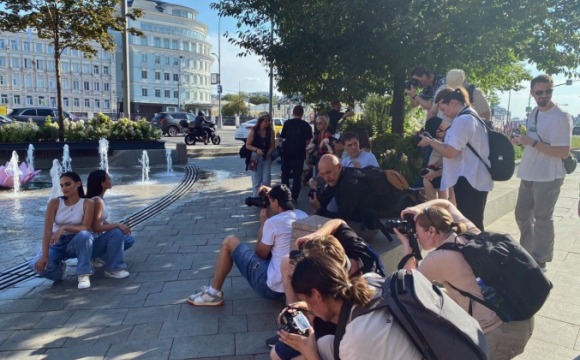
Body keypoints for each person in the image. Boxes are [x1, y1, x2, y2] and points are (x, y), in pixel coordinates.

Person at [394, 199, 534, 359]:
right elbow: (446, 204)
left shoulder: (438, 259)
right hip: (520, 317)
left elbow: (409, 285)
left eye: (417, 233)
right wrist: (418, 209)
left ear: (431, 231)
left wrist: (407, 248)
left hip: (500, 334)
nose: (416, 237)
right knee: (439, 295)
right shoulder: (469, 231)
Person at [276, 240, 421, 360]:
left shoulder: (353, 342)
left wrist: (310, 353)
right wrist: (309, 308)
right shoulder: (369, 280)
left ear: (316, 294)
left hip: (369, 346)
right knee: (324, 343)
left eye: (307, 301)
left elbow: (356, 341)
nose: (309, 307)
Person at [187, 184, 308, 306]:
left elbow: (260, 255)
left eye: (271, 201)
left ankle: (212, 294)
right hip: (294, 285)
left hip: (271, 287)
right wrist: (273, 193)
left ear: (276, 202)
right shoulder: (303, 215)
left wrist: (263, 225)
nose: (270, 205)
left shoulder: (272, 223)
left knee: (229, 241)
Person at [511, 74, 572, 272]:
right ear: (532, 93)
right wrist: (520, 139)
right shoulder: (534, 112)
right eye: (539, 92)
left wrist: (531, 142)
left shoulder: (561, 116)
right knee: (521, 214)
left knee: (542, 218)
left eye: (548, 91)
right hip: (529, 171)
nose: (544, 95)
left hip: (549, 175)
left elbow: (563, 151)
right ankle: (527, 251)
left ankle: (540, 259)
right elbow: (531, 140)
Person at [416, 87, 492, 230]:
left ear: (453, 103)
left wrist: (430, 141)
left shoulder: (463, 120)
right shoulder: (471, 116)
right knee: (472, 225)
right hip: (473, 180)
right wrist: (436, 167)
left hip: (469, 182)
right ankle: (472, 250)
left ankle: (475, 252)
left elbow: (451, 152)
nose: (443, 113)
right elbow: (459, 152)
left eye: (443, 108)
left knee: (471, 227)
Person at [29, 172, 95, 289]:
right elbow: (47, 231)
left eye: (67, 184)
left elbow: (85, 227)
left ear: (78, 184)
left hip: (76, 241)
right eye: (62, 185)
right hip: (55, 243)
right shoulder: (54, 203)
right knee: (36, 265)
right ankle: (59, 272)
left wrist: (63, 227)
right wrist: (44, 255)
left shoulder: (87, 203)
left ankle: (83, 274)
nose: (64, 188)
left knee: (85, 235)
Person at [310, 154, 378, 242]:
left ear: (339, 167)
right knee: (315, 216)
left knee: (322, 227)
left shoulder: (350, 183)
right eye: (323, 174)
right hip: (354, 219)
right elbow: (325, 199)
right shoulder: (338, 175)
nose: (326, 178)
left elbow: (340, 218)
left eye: (328, 172)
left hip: (366, 228)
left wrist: (319, 208)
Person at [86, 170, 133, 279]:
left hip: (94, 241)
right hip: (90, 243)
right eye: (108, 178)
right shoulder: (97, 201)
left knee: (128, 239)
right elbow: (96, 227)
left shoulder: (98, 199)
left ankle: (96, 257)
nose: (111, 180)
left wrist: (117, 226)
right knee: (117, 232)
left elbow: (99, 221)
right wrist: (117, 225)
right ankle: (113, 269)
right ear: (102, 184)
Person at [427, 69, 491, 123]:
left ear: (464, 82)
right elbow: (433, 112)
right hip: (441, 133)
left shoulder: (476, 93)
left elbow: (485, 118)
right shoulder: (442, 89)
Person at [280, 105, 313, 202]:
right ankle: (294, 197)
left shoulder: (287, 123)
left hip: (287, 153)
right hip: (299, 154)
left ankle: (285, 195)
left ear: (293, 113)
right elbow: (308, 141)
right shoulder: (306, 125)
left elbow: (283, 138)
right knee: (297, 177)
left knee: (285, 175)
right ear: (302, 114)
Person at [422, 116, 456, 204]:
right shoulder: (440, 139)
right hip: (435, 172)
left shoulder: (450, 140)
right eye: (440, 127)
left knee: (446, 203)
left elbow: (448, 156)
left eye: (441, 127)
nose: (443, 128)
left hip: (444, 174)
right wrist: (435, 166)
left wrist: (431, 141)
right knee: (435, 204)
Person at [246, 111, 276, 197]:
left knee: (266, 180)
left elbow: (273, 146)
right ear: (260, 121)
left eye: (268, 121)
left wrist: (268, 153)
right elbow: (247, 145)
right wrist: (256, 150)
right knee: (256, 181)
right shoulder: (254, 131)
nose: (267, 123)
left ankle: (266, 199)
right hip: (254, 158)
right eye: (265, 121)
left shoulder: (270, 131)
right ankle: (256, 199)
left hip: (266, 157)